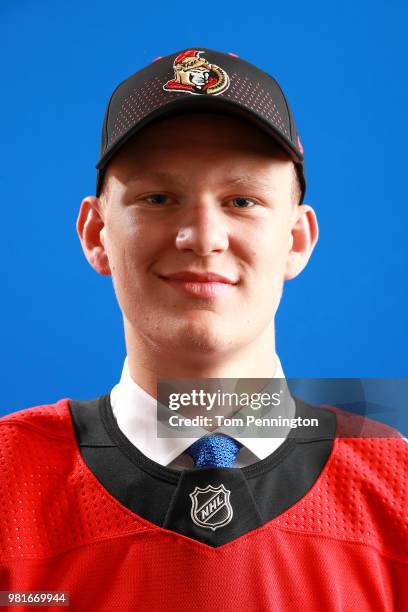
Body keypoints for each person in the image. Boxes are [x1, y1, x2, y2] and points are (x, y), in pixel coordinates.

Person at [0, 48, 406, 611]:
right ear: (97, 233)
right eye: (158, 198)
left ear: (296, 240)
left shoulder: (397, 486)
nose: (202, 236)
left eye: (242, 200)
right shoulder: (7, 481)